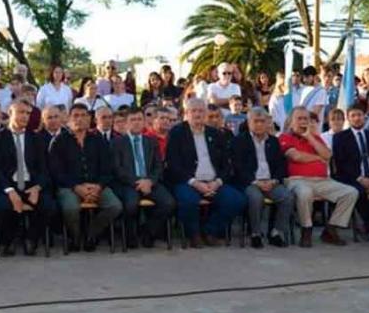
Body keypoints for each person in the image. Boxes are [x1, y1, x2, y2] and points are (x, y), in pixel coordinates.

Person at [165, 98, 246, 248]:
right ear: (186, 114)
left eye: (201, 111)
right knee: (188, 200)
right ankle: (194, 234)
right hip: (188, 182)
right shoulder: (177, 133)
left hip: (214, 182)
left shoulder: (215, 134)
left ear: (206, 113)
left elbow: (227, 165)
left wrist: (217, 182)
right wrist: (195, 183)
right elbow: (173, 165)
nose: (197, 114)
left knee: (237, 200)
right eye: (193, 111)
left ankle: (210, 231)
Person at [281, 107, 358, 247]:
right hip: (297, 180)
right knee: (305, 193)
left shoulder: (315, 138)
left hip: (323, 180)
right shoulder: (285, 137)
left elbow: (328, 155)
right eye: (299, 119)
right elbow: (296, 156)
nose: (303, 122)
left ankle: (331, 229)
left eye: (306, 119)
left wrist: (309, 136)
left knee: (351, 192)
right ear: (291, 121)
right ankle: (306, 229)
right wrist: (318, 157)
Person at [52, 104, 123, 252]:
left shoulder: (98, 141)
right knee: (70, 208)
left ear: (90, 119)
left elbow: (108, 169)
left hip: (97, 186)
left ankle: (91, 234)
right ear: (68, 119)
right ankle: (76, 237)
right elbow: (56, 172)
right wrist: (77, 187)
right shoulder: (59, 141)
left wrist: (98, 186)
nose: (80, 119)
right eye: (76, 116)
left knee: (114, 206)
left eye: (84, 115)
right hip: (70, 187)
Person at [0, 100, 55, 256]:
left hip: (31, 184)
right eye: (21, 112)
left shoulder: (36, 138)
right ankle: (9, 240)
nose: (25, 116)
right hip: (8, 185)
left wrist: (37, 188)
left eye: (27, 113)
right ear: (10, 114)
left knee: (48, 205)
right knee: (1, 206)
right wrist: (10, 191)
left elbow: (44, 168)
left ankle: (31, 238)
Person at [231, 107, 293, 248]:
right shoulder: (239, 141)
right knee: (255, 198)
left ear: (268, 123)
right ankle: (256, 233)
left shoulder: (273, 141)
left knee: (287, 197)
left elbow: (281, 166)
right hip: (251, 182)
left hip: (271, 181)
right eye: (255, 121)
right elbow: (238, 167)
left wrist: (274, 180)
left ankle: (276, 232)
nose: (259, 124)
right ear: (248, 123)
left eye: (262, 121)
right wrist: (255, 182)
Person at [112, 109, 175, 248]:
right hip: (129, 183)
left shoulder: (151, 141)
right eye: (132, 120)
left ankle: (149, 232)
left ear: (145, 122)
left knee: (168, 203)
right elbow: (118, 169)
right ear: (126, 123)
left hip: (150, 181)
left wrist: (150, 181)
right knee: (130, 205)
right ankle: (130, 236)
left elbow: (158, 166)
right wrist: (136, 182)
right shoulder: (117, 142)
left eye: (139, 119)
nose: (136, 123)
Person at [331, 105, 369, 242]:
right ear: (348, 119)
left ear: (365, 117)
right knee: (359, 192)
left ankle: (368, 227)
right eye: (353, 116)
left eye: (360, 115)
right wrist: (360, 179)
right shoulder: (340, 138)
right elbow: (341, 164)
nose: (357, 118)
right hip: (352, 178)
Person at [298, 66, 327, 131]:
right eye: (304, 77)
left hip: (314, 128)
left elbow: (315, 113)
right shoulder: (304, 90)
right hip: (302, 127)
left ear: (313, 77)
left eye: (307, 77)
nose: (305, 80)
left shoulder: (321, 91)